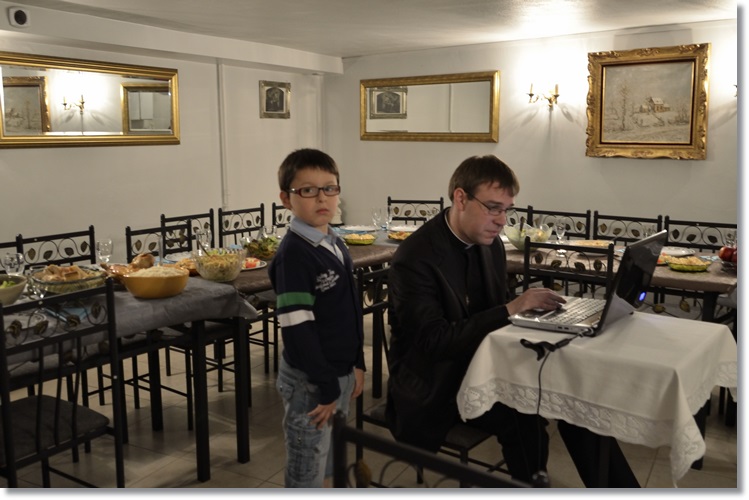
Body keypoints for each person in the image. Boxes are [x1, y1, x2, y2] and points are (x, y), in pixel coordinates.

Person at [385, 154, 639, 487]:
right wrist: (510, 309)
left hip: (488, 363)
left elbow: (496, 311)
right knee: (524, 419)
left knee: (577, 399)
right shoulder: (415, 258)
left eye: (507, 210)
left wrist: (547, 319)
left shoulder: (489, 244)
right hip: (435, 385)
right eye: (493, 208)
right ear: (460, 198)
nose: (502, 221)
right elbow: (434, 343)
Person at [269, 148, 366, 487]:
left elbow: (350, 310)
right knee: (306, 468)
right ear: (286, 199)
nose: (322, 198)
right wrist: (326, 386)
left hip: (337, 373)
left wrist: (357, 362)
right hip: (311, 382)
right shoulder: (294, 255)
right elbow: (298, 330)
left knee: (329, 460)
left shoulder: (334, 242)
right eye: (308, 190)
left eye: (330, 188)